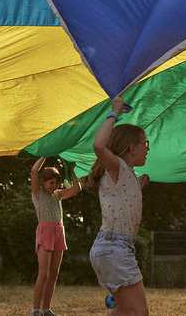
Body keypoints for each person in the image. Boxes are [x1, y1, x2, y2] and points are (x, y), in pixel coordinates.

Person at [81, 96, 152, 316]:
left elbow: (121, 202)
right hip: (115, 249)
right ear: (132, 147)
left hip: (113, 248)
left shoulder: (125, 173)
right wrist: (114, 112)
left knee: (124, 310)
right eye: (145, 144)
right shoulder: (117, 166)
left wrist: (137, 188)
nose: (147, 149)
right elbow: (98, 145)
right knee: (139, 313)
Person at [31, 156, 82, 316]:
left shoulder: (58, 195)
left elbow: (76, 189)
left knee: (53, 274)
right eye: (51, 183)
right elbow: (34, 171)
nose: (54, 186)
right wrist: (45, 155)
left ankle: (46, 309)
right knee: (44, 273)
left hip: (59, 231)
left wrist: (71, 171)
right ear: (42, 182)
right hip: (45, 232)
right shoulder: (38, 193)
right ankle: (36, 310)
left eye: (56, 183)